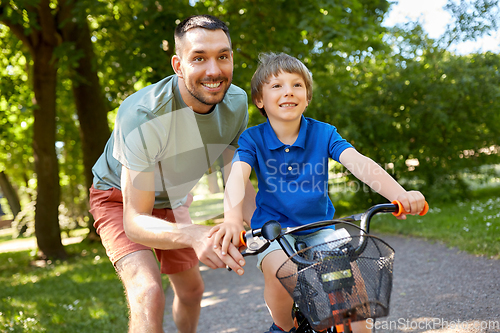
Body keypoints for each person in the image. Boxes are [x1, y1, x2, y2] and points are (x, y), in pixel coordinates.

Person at [210, 52, 426, 333]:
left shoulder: (323, 133)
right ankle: (284, 326)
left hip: (321, 227)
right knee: (280, 272)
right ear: (259, 100)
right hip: (275, 231)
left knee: (354, 285)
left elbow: (359, 163)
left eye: (297, 85)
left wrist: (400, 194)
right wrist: (231, 219)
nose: (288, 91)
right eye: (277, 86)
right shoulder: (253, 138)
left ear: (307, 97)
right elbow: (238, 176)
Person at [89, 15, 256, 333]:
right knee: (148, 292)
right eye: (199, 58)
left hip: (172, 197)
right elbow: (135, 221)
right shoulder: (143, 114)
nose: (213, 70)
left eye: (223, 56)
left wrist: (278, 224)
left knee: (192, 292)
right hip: (119, 199)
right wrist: (194, 235)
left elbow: (236, 178)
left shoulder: (236, 103)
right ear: (178, 65)